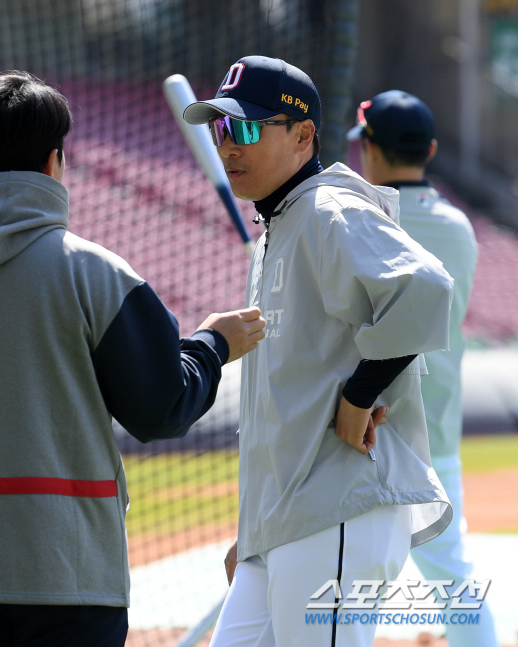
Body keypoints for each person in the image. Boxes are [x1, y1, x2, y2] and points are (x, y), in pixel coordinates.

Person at [0, 71, 266, 647]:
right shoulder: (96, 274)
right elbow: (162, 408)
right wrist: (213, 344)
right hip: (70, 574)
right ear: (57, 162)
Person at [184, 56, 454, 647]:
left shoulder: (329, 208)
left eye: (248, 128)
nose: (229, 144)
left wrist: (360, 396)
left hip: (335, 508)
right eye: (221, 129)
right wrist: (254, 528)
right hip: (287, 518)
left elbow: (426, 288)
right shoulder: (281, 226)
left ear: (303, 134)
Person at [347, 89, 500, 647]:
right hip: (437, 436)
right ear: (431, 149)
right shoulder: (460, 228)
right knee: (456, 588)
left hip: (362, 430)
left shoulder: (358, 219)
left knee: (348, 592)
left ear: (368, 146)